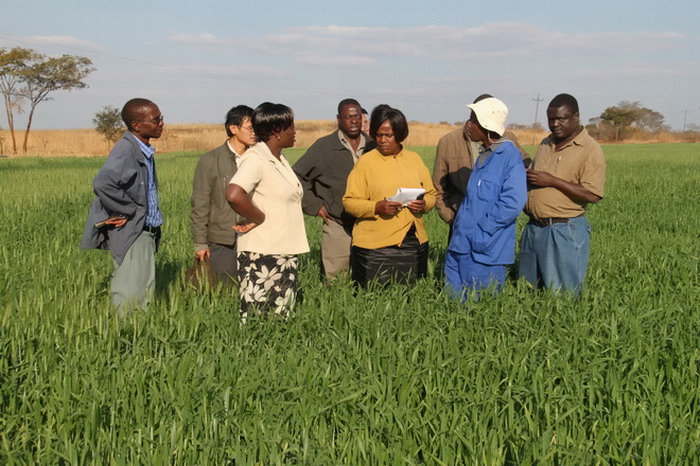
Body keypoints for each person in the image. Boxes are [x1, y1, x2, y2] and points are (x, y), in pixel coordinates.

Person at [80, 98, 164, 314]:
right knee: (129, 291)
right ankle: (124, 332)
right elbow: (103, 183)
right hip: (133, 230)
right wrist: (128, 209)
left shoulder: (142, 149)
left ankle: (140, 331)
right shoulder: (126, 150)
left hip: (144, 230)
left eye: (160, 118)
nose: (161, 123)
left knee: (142, 289)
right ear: (136, 125)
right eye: (156, 120)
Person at [226, 102, 309, 318]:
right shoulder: (256, 159)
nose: (295, 132)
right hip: (263, 253)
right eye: (291, 127)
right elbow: (234, 193)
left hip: (282, 249)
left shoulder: (277, 159)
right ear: (277, 130)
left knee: (281, 316)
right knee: (260, 318)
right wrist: (259, 217)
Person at [519, 93, 606, 294]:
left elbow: (593, 194)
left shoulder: (589, 149)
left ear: (576, 117)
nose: (555, 124)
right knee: (530, 291)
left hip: (563, 230)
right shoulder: (546, 143)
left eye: (561, 119)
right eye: (551, 119)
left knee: (562, 294)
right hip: (534, 228)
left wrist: (552, 181)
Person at [343, 104, 437, 287]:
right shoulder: (366, 162)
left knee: (411, 297)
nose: (383, 140)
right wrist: (377, 207)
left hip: (412, 243)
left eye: (389, 135)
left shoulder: (414, 160)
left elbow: (432, 194)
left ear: (400, 134)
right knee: (371, 298)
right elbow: (349, 201)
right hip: (373, 248)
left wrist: (424, 204)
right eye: (379, 135)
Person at [444, 97, 527, 299]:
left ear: (486, 125)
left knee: (479, 306)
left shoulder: (509, 155)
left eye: (473, 120)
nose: (468, 125)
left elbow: (512, 203)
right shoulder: (484, 155)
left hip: (485, 251)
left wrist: (482, 232)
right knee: (452, 305)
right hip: (460, 246)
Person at [293, 98, 373, 279]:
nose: (354, 121)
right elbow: (297, 176)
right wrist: (314, 205)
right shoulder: (324, 147)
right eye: (348, 117)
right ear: (339, 119)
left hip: (370, 223)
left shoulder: (373, 146)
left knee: (370, 278)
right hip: (337, 223)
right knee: (336, 280)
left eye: (357, 116)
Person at [433, 94, 530, 235]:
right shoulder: (449, 142)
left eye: (475, 119)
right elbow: (438, 187)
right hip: (460, 222)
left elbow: (524, 164)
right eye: (471, 117)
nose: (469, 124)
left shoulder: (507, 141)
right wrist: (453, 218)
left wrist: (490, 223)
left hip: (494, 227)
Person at [190, 105, 255, 285]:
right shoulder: (210, 161)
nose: (255, 132)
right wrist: (200, 243)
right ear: (233, 128)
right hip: (223, 239)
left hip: (255, 237)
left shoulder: (258, 159)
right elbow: (200, 204)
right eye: (250, 127)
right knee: (225, 289)